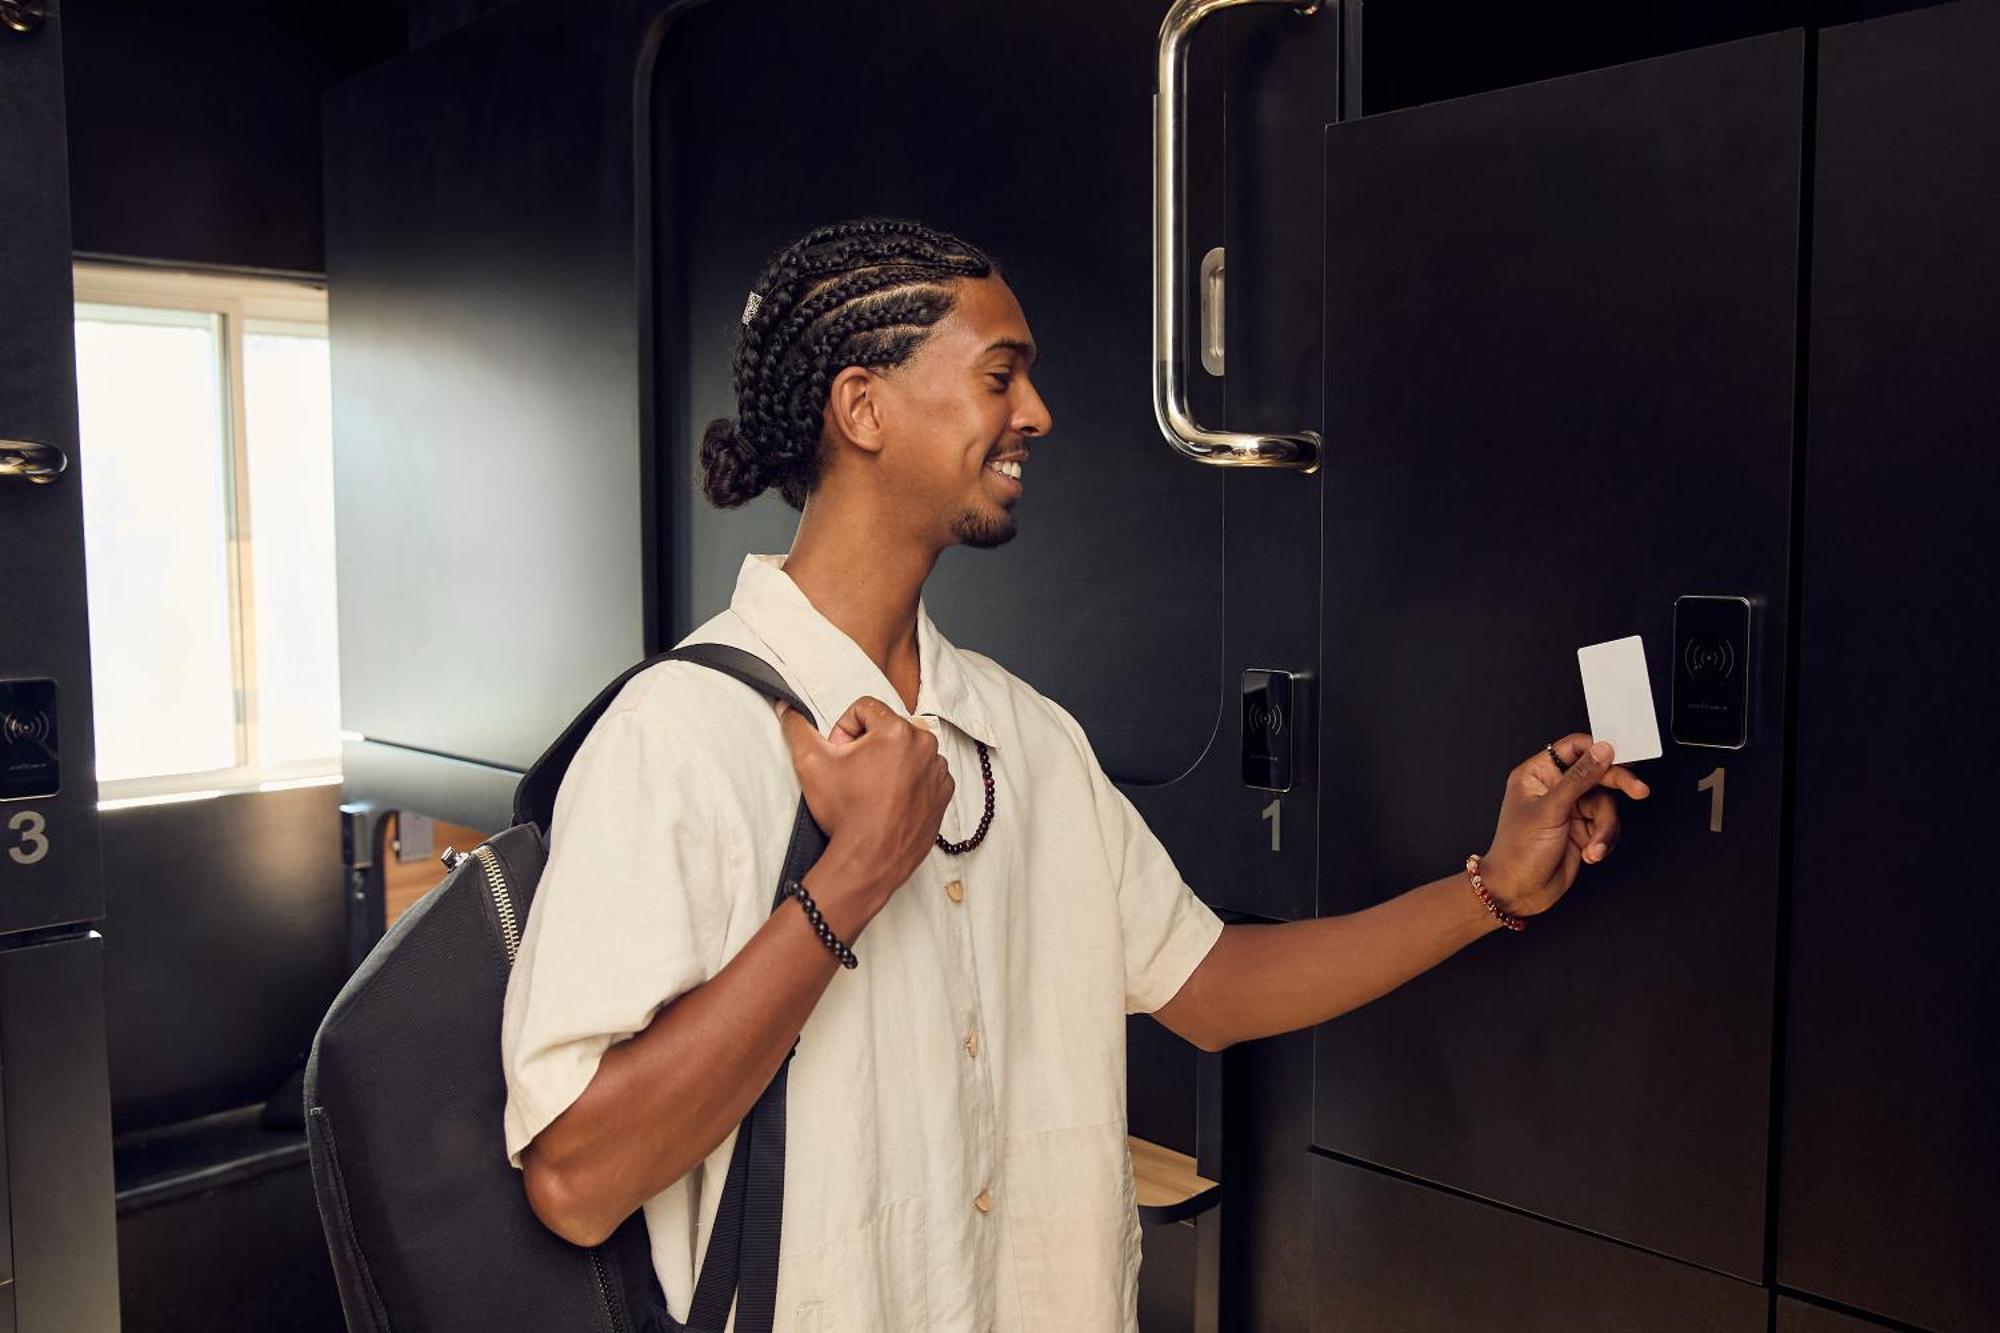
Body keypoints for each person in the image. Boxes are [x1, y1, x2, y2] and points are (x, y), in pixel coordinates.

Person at [499, 217, 1649, 1332]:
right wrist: (852, 877)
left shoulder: (1023, 734)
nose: (1036, 414)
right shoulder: (678, 736)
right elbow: (576, 1174)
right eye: (1000, 376)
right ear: (863, 406)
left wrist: (1489, 887)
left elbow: (1209, 988)